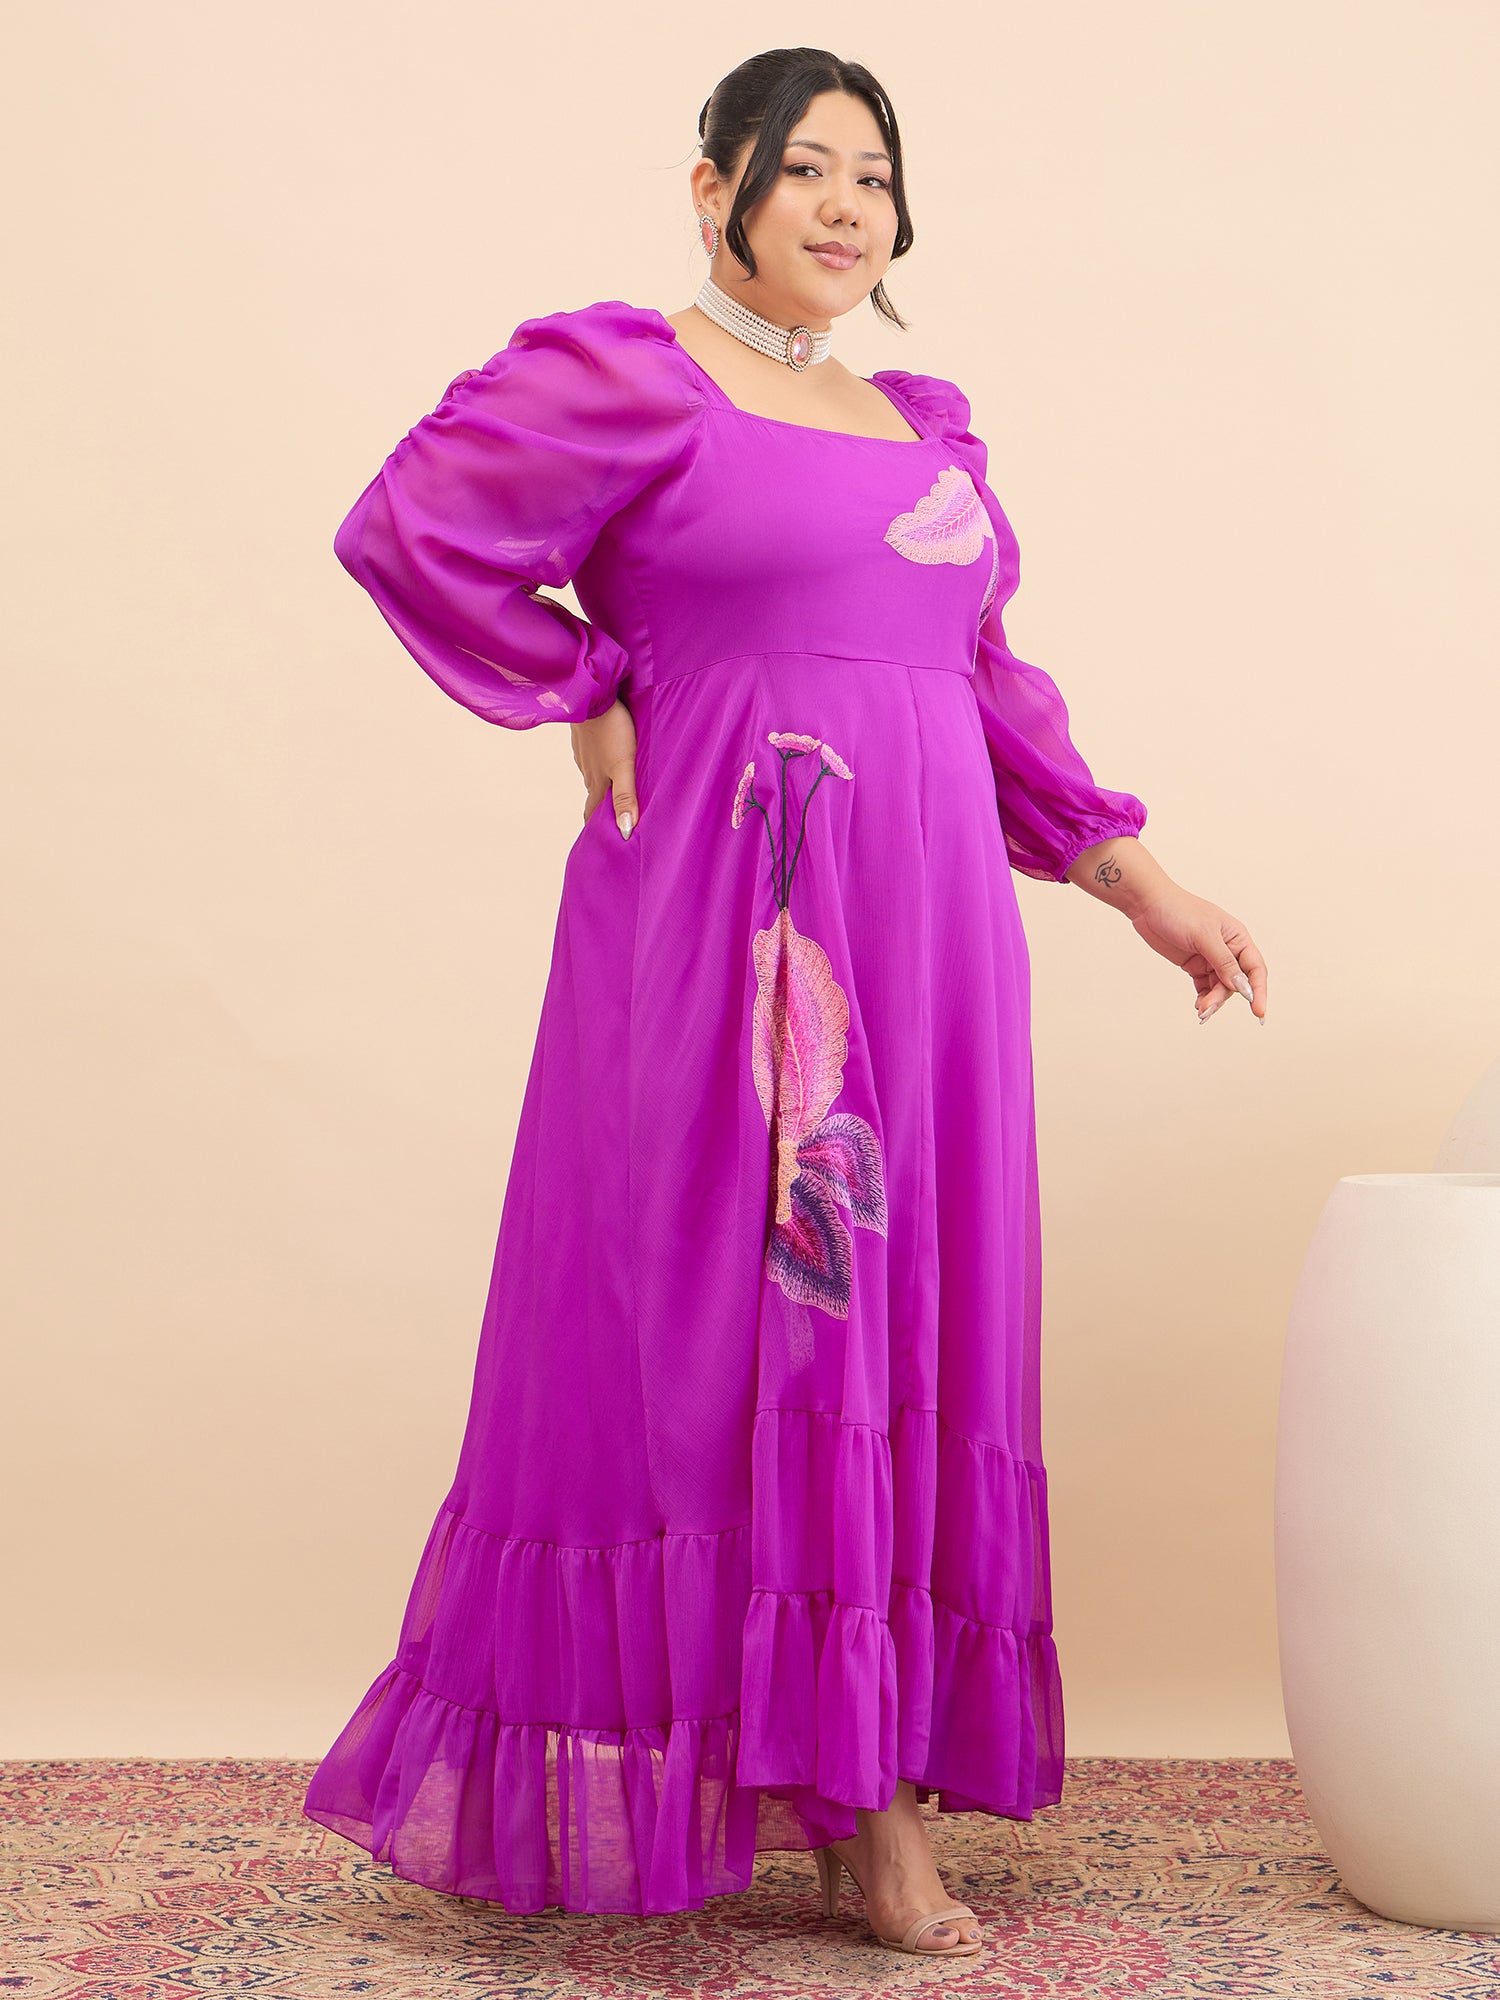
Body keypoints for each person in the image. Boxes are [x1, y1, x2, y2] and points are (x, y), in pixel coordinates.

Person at [302, 46, 1268, 1960]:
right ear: (713, 186)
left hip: (934, 943)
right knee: (745, 1319)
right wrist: (588, 686)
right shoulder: (628, 379)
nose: (845, 205)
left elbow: (986, 685)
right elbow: (408, 530)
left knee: (903, 1319)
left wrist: (1141, 882)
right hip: (738, 918)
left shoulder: (923, 426)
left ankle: (861, 1775)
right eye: (805, 167)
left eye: (874, 177)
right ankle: (833, 1810)